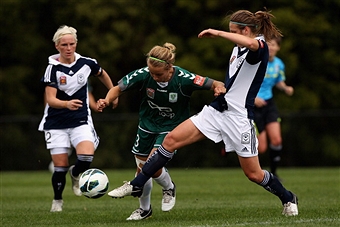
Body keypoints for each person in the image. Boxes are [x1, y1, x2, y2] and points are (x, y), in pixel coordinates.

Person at [106, 9, 299, 217]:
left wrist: (217, 33)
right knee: (170, 140)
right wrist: (219, 87)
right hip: (217, 110)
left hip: (239, 118)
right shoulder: (238, 48)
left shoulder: (258, 47)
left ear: (245, 30)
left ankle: (288, 198)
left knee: (253, 174)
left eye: (234, 31)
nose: (231, 35)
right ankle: (137, 184)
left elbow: (253, 44)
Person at [97, 42, 225, 220]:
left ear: (169, 67)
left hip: (172, 128)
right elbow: (117, 89)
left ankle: (169, 187)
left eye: (158, 74)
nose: (154, 77)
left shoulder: (184, 78)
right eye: (151, 73)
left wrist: (218, 87)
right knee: (142, 169)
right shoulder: (144, 74)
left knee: (153, 164)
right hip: (146, 126)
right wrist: (106, 100)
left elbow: (214, 83)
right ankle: (145, 210)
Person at [38, 25, 116, 212]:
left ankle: (76, 174)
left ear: (76, 44)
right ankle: (57, 201)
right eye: (64, 44)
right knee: (60, 166)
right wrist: (66, 104)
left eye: (71, 44)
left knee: (87, 155)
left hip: (80, 120)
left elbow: (102, 74)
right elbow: (50, 99)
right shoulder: (52, 69)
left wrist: (113, 94)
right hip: (56, 124)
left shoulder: (87, 63)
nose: (68, 48)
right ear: (57, 46)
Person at [254, 37, 294, 178]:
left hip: (269, 104)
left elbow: (279, 81)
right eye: (268, 45)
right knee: (261, 148)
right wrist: (253, 98)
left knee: (277, 140)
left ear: (278, 48)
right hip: (253, 105)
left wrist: (285, 88)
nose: (270, 48)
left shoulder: (279, 64)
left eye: (273, 45)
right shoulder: (256, 61)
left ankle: (274, 173)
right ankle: (254, 171)